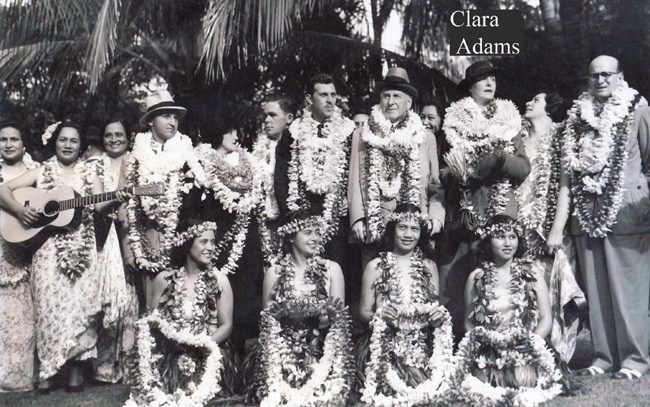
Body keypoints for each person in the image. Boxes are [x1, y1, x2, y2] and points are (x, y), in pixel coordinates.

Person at [0, 121, 131, 393]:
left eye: (73, 141)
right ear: (55, 143)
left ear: (80, 146)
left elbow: (98, 204)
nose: (68, 145)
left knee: (82, 311)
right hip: (47, 251)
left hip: (83, 252)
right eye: (63, 140)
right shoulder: (42, 171)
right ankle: (47, 372)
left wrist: (117, 198)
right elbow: (3, 189)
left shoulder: (89, 173)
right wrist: (19, 211)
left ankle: (75, 374)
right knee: (48, 309)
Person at [548, 55, 650, 380]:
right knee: (597, 290)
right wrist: (558, 226)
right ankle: (605, 356)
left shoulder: (638, 111)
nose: (601, 80)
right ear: (587, 81)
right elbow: (567, 178)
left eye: (607, 74)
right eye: (594, 75)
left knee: (628, 290)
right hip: (586, 217)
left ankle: (635, 359)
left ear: (620, 77)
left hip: (627, 214)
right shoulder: (575, 120)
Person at [439, 60, 530, 340]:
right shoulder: (452, 122)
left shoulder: (509, 121)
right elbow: (442, 170)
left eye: (493, 78)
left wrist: (501, 159)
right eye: (483, 79)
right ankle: (466, 340)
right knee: (467, 273)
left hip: (502, 208)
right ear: (471, 87)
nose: (490, 83)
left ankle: (508, 337)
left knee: (503, 274)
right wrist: (459, 173)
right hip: (468, 207)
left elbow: (524, 168)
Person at [247, 209, 353, 406]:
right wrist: (278, 317)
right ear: (291, 237)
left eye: (317, 232)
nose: (315, 238)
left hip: (321, 348)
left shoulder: (332, 269)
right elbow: (267, 323)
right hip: (283, 350)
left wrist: (329, 316)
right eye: (308, 232)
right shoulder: (275, 272)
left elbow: (339, 323)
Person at [126, 220, 236, 406]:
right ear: (187, 243)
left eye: (212, 242)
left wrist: (202, 345)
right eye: (204, 242)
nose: (210, 247)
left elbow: (226, 325)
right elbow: (153, 323)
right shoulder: (164, 279)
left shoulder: (219, 280)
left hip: (208, 353)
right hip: (172, 352)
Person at [456, 215, 561, 406]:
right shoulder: (477, 277)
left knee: (523, 381)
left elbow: (546, 318)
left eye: (512, 236)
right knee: (483, 385)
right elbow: (469, 321)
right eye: (500, 237)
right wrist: (485, 344)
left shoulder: (532, 274)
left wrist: (531, 343)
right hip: (490, 349)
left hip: (524, 347)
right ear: (488, 241)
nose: (507, 243)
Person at [357, 203, 454, 406]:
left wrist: (436, 318)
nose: (408, 234)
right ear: (392, 230)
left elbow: (433, 307)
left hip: (419, 342)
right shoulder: (375, 266)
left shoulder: (429, 266)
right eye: (402, 227)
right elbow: (364, 311)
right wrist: (380, 316)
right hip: (384, 343)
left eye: (414, 228)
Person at [348, 67, 445, 266]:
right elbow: (354, 181)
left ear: (408, 102)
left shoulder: (425, 137)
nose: (391, 102)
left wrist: (436, 217)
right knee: (374, 281)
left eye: (397, 96)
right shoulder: (363, 134)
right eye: (386, 96)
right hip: (374, 223)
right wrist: (357, 218)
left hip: (414, 224)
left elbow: (436, 185)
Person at [182, 119, 263, 354]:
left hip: (247, 238)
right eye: (229, 130)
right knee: (222, 293)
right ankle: (220, 356)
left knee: (247, 295)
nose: (235, 136)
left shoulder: (247, 163)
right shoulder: (199, 162)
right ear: (217, 132)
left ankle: (242, 358)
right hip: (217, 239)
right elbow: (191, 207)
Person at [121, 90, 205, 313]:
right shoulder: (134, 158)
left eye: (175, 117)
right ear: (150, 121)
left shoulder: (188, 155)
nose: (172, 122)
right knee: (153, 308)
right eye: (165, 116)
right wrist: (130, 248)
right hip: (147, 241)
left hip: (182, 241)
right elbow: (125, 206)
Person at [519, 93, 585, 363]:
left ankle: (558, 353)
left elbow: (564, 187)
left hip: (550, 226)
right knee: (526, 286)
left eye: (535, 99)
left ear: (550, 108)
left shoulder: (561, 139)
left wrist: (556, 228)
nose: (527, 102)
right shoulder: (517, 139)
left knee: (553, 285)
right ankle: (526, 348)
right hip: (521, 224)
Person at [274, 73, 355, 257]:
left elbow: (354, 174)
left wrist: (347, 201)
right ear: (310, 99)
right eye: (323, 95)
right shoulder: (293, 132)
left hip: (336, 218)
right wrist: (292, 215)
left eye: (333, 95)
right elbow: (281, 178)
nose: (330, 101)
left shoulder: (348, 131)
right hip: (301, 216)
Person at [93, 118, 140, 383]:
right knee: (108, 298)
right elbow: (99, 205)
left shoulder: (136, 161)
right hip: (103, 238)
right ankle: (104, 366)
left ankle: (128, 365)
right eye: (108, 135)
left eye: (119, 134)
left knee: (130, 299)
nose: (114, 139)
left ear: (127, 136)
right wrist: (119, 195)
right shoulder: (95, 164)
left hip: (129, 233)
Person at [0, 118, 39, 392]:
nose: (8, 144)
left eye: (14, 139)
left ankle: (19, 376)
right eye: (3, 139)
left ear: (24, 143)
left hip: (23, 249)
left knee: (22, 313)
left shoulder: (35, 172)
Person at [252, 94, 297, 263]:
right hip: (263, 225)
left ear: (289, 118)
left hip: (289, 222)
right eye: (265, 116)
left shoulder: (298, 148)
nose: (267, 120)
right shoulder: (259, 150)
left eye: (273, 115)